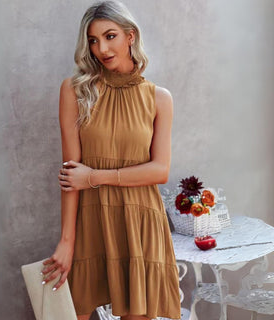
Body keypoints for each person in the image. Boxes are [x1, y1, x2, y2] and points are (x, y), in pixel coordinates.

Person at [40, 1, 181, 319]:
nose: (101, 48)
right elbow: (70, 174)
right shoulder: (75, 91)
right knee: (73, 311)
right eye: (93, 40)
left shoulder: (159, 98)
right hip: (91, 221)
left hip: (139, 222)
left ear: (131, 36)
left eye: (110, 35)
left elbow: (160, 170)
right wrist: (66, 241)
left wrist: (94, 177)